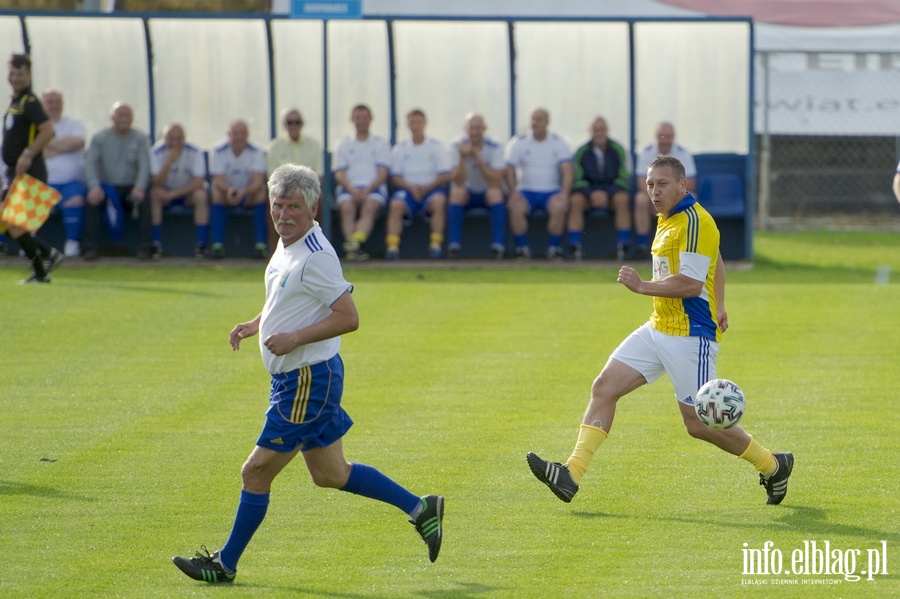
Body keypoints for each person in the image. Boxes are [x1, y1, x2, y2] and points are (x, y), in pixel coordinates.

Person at [172, 163, 444, 584]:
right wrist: (257, 322)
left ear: (313, 206)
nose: (283, 214)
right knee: (330, 474)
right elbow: (288, 296)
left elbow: (348, 317)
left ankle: (224, 564)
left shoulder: (317, 256)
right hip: (301, 377)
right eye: (277, 205)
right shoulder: (287, 244)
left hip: (305, 381)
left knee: (255, 472)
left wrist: (295, 337)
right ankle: (420, 509)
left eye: (293, 206)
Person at [527, 155, 793, 507]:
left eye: (662, 184)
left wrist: (643, 287)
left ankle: (773, 465)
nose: (654, 190)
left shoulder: (696, 221)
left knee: (698, 424)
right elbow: (717, 260)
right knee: (604, 387)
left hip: (690, 336)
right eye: (650, 184)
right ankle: (571, 474)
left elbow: (690, 284)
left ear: (683, 185)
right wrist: (722, 303)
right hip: (658, 328)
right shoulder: (668, 218)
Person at [0, 53, 62, 284]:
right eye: (13, 73)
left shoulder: (30, 101)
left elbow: (48, 130)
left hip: (28, 172)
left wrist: (28, 154)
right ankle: (47, 257)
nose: (16, 78)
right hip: (12, 173)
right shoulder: (16, 101)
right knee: (7, 221)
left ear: (29, 74)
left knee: (13, 223)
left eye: (21, 73)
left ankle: (42, 270)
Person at [82, 102, 152, 260]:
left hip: (131, 187)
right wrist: (94, 186)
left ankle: (145, 248)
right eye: (121, 115)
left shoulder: (141, 138)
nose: (124, 119)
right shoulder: (99, 138)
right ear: (112, 118)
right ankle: (89, 248)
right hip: (106, 188)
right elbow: (90, 164)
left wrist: (140, 187)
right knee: (92, 201)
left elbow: (145, 165)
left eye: (128, 115)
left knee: (144, 201)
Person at [504, 108, 573, 260]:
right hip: (526, 192)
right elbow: (509, 169)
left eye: (539, 119)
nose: (535, 123)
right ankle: (522, 249)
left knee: (559, 206)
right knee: (515, 207)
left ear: (548, 122)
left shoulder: (558, 142)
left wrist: (564, 194)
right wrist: (513, 192)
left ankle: (553, 249)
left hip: (551, 192)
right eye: (533, 119)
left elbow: (567, 171)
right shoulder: (519, 142)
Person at [385, 109, 451, 260]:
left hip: (431, 189)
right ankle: (392, 248)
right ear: (408, 125)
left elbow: (445, 174)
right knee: (396, 204)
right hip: (408, 191)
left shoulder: (436, 146)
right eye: (412, 122)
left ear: (425, 123)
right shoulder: (400, 149)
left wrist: (428, 187)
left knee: (439, 202)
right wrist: (410, 188)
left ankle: (435, 245)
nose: (415, 126)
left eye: (418, 122)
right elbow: (395, 177)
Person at [567, 116, 633, 261]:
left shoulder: (619, 149)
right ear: (590, 132)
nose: (599, 133)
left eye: (602, 130)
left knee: (622, 199)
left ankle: (623, 248)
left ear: (607, 131)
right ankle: (575, 248)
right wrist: (592, 194)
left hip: (612, 195)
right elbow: (577, 179)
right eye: (596, 130)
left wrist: (606, 194)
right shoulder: (581, 151)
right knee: (575, 200)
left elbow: (625, 177)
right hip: (588, 196)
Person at [332, 104, 391, 262]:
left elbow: (382, 173)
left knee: (370, 207)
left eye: (365, 117)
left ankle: (353, 244)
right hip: (348, 189)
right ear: (352, 119)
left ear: (371, 119)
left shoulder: (380, 143)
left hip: (374, 189)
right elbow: (339, 174)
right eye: (358, 118)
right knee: (347, 208)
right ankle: (355, 248)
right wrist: (352, 190)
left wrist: (367, 190)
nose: (361, 121)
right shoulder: (343, 144)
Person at [447, 113, 507, 259]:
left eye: (478, 128)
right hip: (467, 194)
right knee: (457, 192)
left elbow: (495, 180)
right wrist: (462, 157)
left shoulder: (496, 146)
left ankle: (498, 246)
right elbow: (458, 180)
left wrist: (477, 157)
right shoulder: (456, 146)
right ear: (465, 129)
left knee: (495, 192)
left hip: (487, 193)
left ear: (484, 128)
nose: (474, 132)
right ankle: (454, 245)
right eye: (471, 128)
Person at [633, 122, 696, 259]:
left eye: (668, 136)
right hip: (652, 199)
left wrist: (668, 199)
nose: (665, 140)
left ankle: (687, 243)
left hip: (676, 198)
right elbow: (641, 182)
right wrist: (656, 197)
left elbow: (690, 183)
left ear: (673, 137)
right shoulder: (646, 152)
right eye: (661, 136)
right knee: (640, 199)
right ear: (656, 137)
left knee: (692, 197)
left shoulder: (683, 153)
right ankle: (642, 246)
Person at [148, 123, 209, 259]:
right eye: (171, 138)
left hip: (186, 193)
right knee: (154, 194)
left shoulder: (194, 151)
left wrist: (173, 194)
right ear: (164, 139)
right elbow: (157, 182)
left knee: (201, 195)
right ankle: (156, 245)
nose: (175, 142)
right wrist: (168, 163)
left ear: (184, 138)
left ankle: (201, 246)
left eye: (179, 138)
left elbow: (198, 181)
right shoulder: (155, 152)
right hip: (165, 192)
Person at [209, 119, 267, 259]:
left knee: (261, 195)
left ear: (248, 134)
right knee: (216, 194)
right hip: (226, 193)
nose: (239, 137)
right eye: (236, 133)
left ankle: (261, 245)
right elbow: (218, 180)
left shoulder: (257, 151)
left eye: (243, 133)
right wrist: (230, 191)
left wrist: (243, 192)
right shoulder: (218, 150)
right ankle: (217, 246)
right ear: (229, 134)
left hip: (248, 194)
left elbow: (258, 181)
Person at [42, 89, 87, 258]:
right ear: (43, 104)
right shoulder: (37, 125)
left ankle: (72, 243)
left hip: (71, 181)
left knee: (75, 199)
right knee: (28, 198)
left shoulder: (73, 123)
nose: (55, 105)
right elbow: (34, 151)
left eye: (58, 101)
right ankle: (31, 245)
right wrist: (63, 146)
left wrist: (47, 144)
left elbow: (77, 142)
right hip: (44, 181)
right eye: (50, 102)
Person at [267, 108, 323, 224]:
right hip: (282, 193)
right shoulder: (275, 147)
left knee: (318, 201)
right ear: (284, 124)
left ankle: (315, 236)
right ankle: (274, 241)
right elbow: (271, 178)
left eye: (297, 122)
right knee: (271, 204)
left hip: (307, 192)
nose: (294, 125)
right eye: (290, 122)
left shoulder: (313, 145)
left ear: (302, 124)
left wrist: (302, 193)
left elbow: (319, 176)